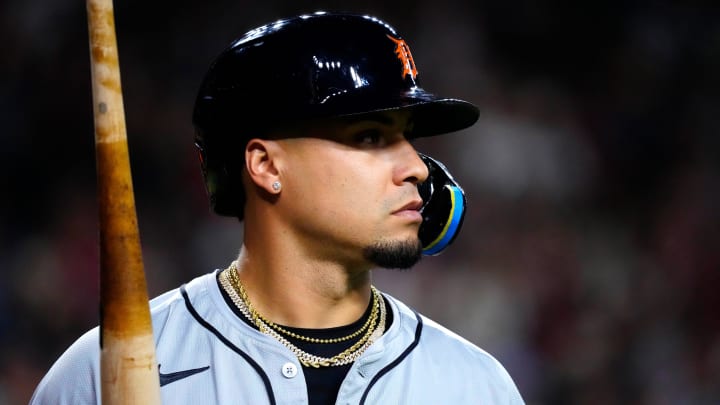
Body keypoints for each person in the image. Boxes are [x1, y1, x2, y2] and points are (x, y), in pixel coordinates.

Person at [31, 11, 524, 404]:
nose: (417, 167)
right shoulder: (103, 374)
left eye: (408, 138)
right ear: (266, 166)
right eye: (370, 136)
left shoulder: (475, 386)